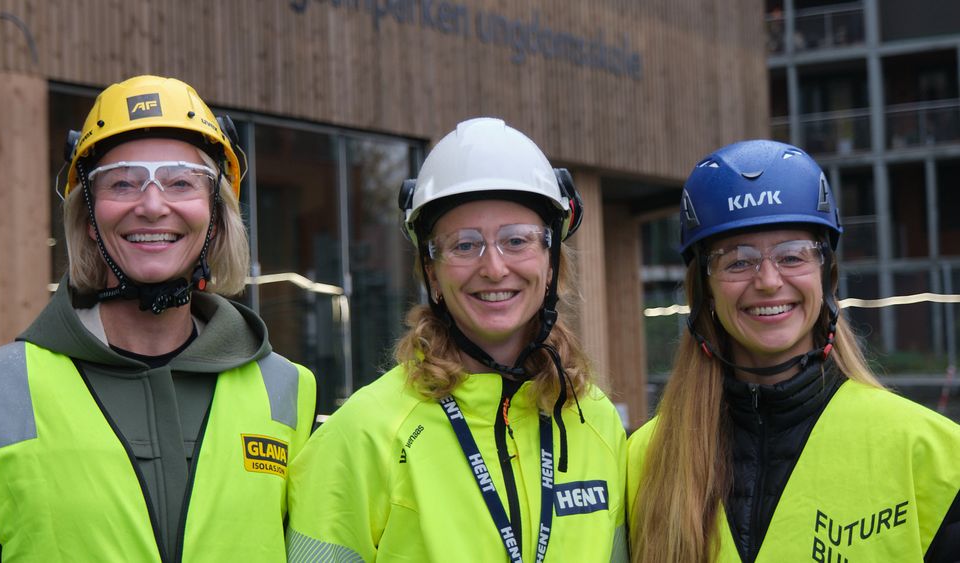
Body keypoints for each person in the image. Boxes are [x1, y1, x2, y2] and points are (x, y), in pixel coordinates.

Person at [0, 75, 318, 561]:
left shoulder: (289, 392)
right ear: (89, 215)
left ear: (216, 215)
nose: (152, 205)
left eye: (180, 182)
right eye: (123, 181)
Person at [285, 117, 628, 562]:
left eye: (516, 240)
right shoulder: (364, 432)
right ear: (432, 272)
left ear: (550, 261)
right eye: (465, 245)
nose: (494, 268)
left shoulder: (596, 422)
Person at [625, 139, 960, 562]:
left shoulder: (933, 455)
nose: (767, 280)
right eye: (738, 260)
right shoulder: (643, 459)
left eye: (792, 256)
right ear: (705, 289)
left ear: (826, 275)